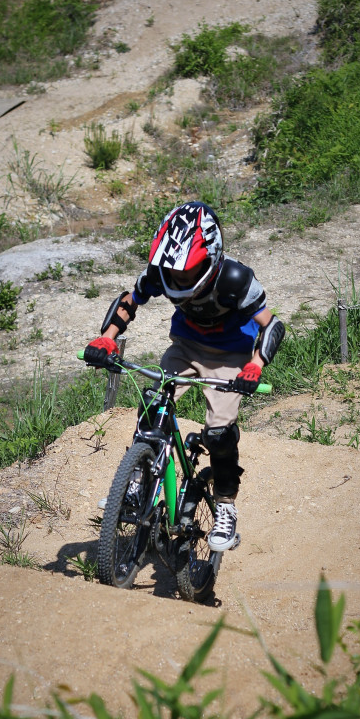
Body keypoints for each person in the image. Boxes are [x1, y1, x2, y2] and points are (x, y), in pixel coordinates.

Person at [83, 201, 285, 552]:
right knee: (153, 403)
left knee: (220, 433)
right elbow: (130, 302)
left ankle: (225, 506)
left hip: (232, 356)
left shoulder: (236, 279)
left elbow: (273, 325)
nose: (180, 281)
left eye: (188, 275)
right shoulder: (163, 272)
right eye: (175, 275)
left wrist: (255, 365)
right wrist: (107, 338)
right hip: (186, 347)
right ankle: (138, 478)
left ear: (211, 259)